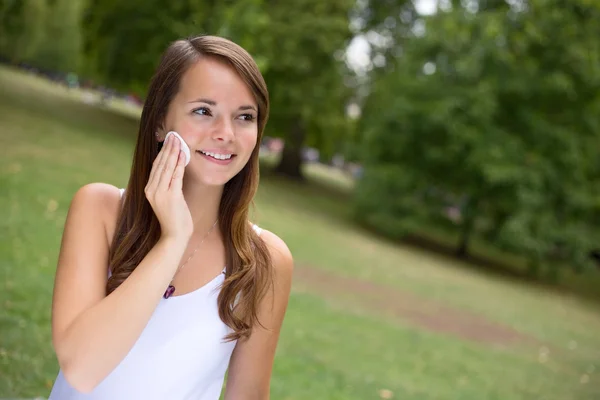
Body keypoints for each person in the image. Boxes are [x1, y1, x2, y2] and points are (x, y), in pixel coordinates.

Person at [48, 35, 294, 399]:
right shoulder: (99, 210)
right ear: (160, 122)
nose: (226, 134)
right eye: (203, 111)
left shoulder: (265, 260)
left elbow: (248, 394)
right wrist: (173, 239)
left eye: (245, 116)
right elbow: (81, 369)